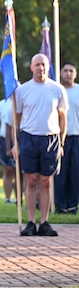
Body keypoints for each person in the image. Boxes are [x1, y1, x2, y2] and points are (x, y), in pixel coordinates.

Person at [9, 53, 67, 236]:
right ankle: (31, 222)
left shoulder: (57, 89)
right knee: (31, 180)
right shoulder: (22, 90)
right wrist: (15, 144)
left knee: (46, 181)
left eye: (43, 64)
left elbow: (62, 118)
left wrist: (61, 143)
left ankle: (45, 222)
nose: (40, 68)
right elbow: (16, 119)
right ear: (31, 67)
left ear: (48, 66)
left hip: (50, 138)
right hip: (28, 137)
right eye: (37, 65)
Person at [56, 61, 79, 214]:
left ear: (75, 74)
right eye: (65, 70)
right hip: (57, 138)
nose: (68, 73)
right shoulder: (55, 90)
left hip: (76, 137)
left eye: (71, 71)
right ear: (60, 72)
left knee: (75, 172)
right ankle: (60, 205)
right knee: (60, 172)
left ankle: (72, 206)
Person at [0, 97, 17, 204]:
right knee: (8, 170)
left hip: (19, 139)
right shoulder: (0, 105)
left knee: (19, 172)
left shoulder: (22, 103)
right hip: (4, 139)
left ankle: (18, 198)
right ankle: (7, 198)